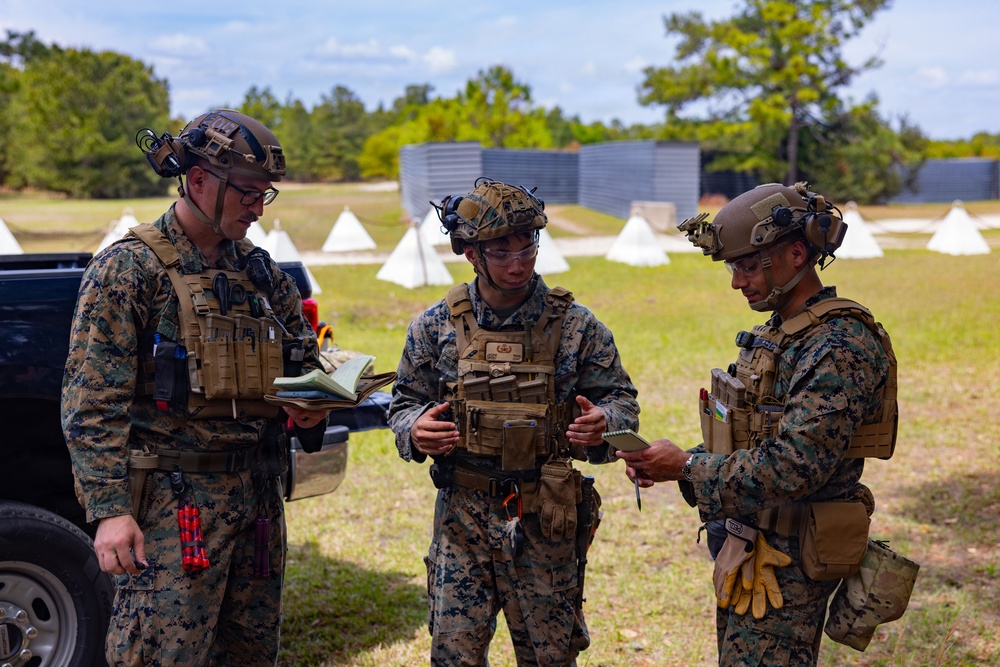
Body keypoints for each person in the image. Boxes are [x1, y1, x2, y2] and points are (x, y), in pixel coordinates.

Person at [62, 109, 330, 666]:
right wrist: (111, 510)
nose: (257, 209)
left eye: (265, 195)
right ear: (199, 179)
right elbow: (92, 405)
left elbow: (304, 367)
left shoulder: (261, 274)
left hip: (256, 505)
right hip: (172, 508)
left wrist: (310, 411)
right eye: (247, 193)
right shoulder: (129, 271)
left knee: (250, 655)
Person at [616, 182, 898, 666]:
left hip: (792, 562)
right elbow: (756, 438)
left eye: (748, 266)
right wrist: (676, 462)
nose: (736, 281)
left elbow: (794, 466)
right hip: (754, 549)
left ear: (794, 254)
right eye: (734, 267)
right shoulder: (779, 332)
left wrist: (685, 467)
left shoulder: (837, 344)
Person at [388, 179, 640, 666]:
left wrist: (604, 422)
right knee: (453, 656)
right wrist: (415, 429)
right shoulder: (435, 326)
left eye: (528, 247)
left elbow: (621, 402)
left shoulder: (577, 326)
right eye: (501, 252)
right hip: (462, 520)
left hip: (545, 518)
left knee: (550, 658)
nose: (518, 263)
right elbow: (403, 404)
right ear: (471, 254)